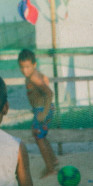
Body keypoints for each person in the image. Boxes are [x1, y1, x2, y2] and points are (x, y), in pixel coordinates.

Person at [18, 48, 59, 177]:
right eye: (22, 67)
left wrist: (43, 112)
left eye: (28, 67)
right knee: (42, 136)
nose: (25, 70)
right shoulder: (34, 75)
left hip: (43, 109)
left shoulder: (34, 78)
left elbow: (49, 93)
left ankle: (50, 168)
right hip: (41, 109)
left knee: (38, 137)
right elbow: (45, 80)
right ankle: (53, 160)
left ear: (34, 65)